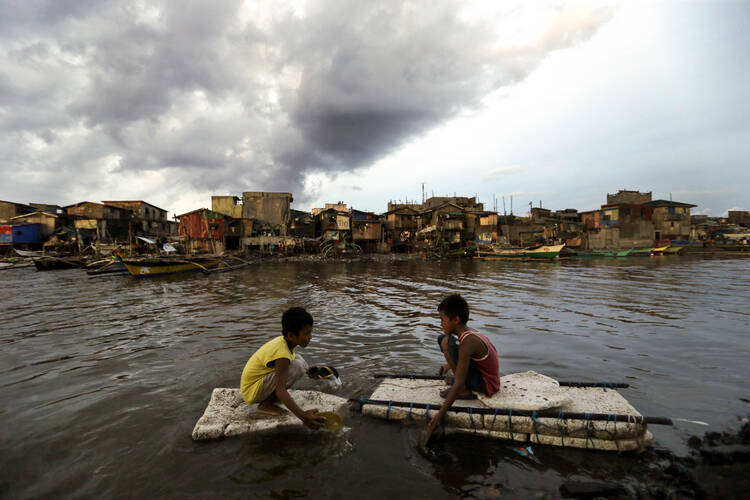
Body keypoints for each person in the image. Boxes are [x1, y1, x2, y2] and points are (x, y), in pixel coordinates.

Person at [425, 294, 500, 443]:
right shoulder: (469, 333)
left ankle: (466, 390)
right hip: (487, 378)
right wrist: (449, 365)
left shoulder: (468, 342)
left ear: (456, 319)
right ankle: (461, 382)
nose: (441, 324)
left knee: (446, 342)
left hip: (486, 385)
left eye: (443, 320)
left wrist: (439, 415)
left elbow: (458, 381)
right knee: (444, 339)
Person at [240, 307, 326, 430]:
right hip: (252, 390)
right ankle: (265, 405)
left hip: (255, 385)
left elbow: (291, 364)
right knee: (298, 366)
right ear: (291, 335)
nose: (310, 337)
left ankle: (269, 400)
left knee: (299, 361)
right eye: (307, 333)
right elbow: (281, 390)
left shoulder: (285, 342)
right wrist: (303, 416)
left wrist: (309, 370)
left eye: (310, 332)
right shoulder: (282, 354)